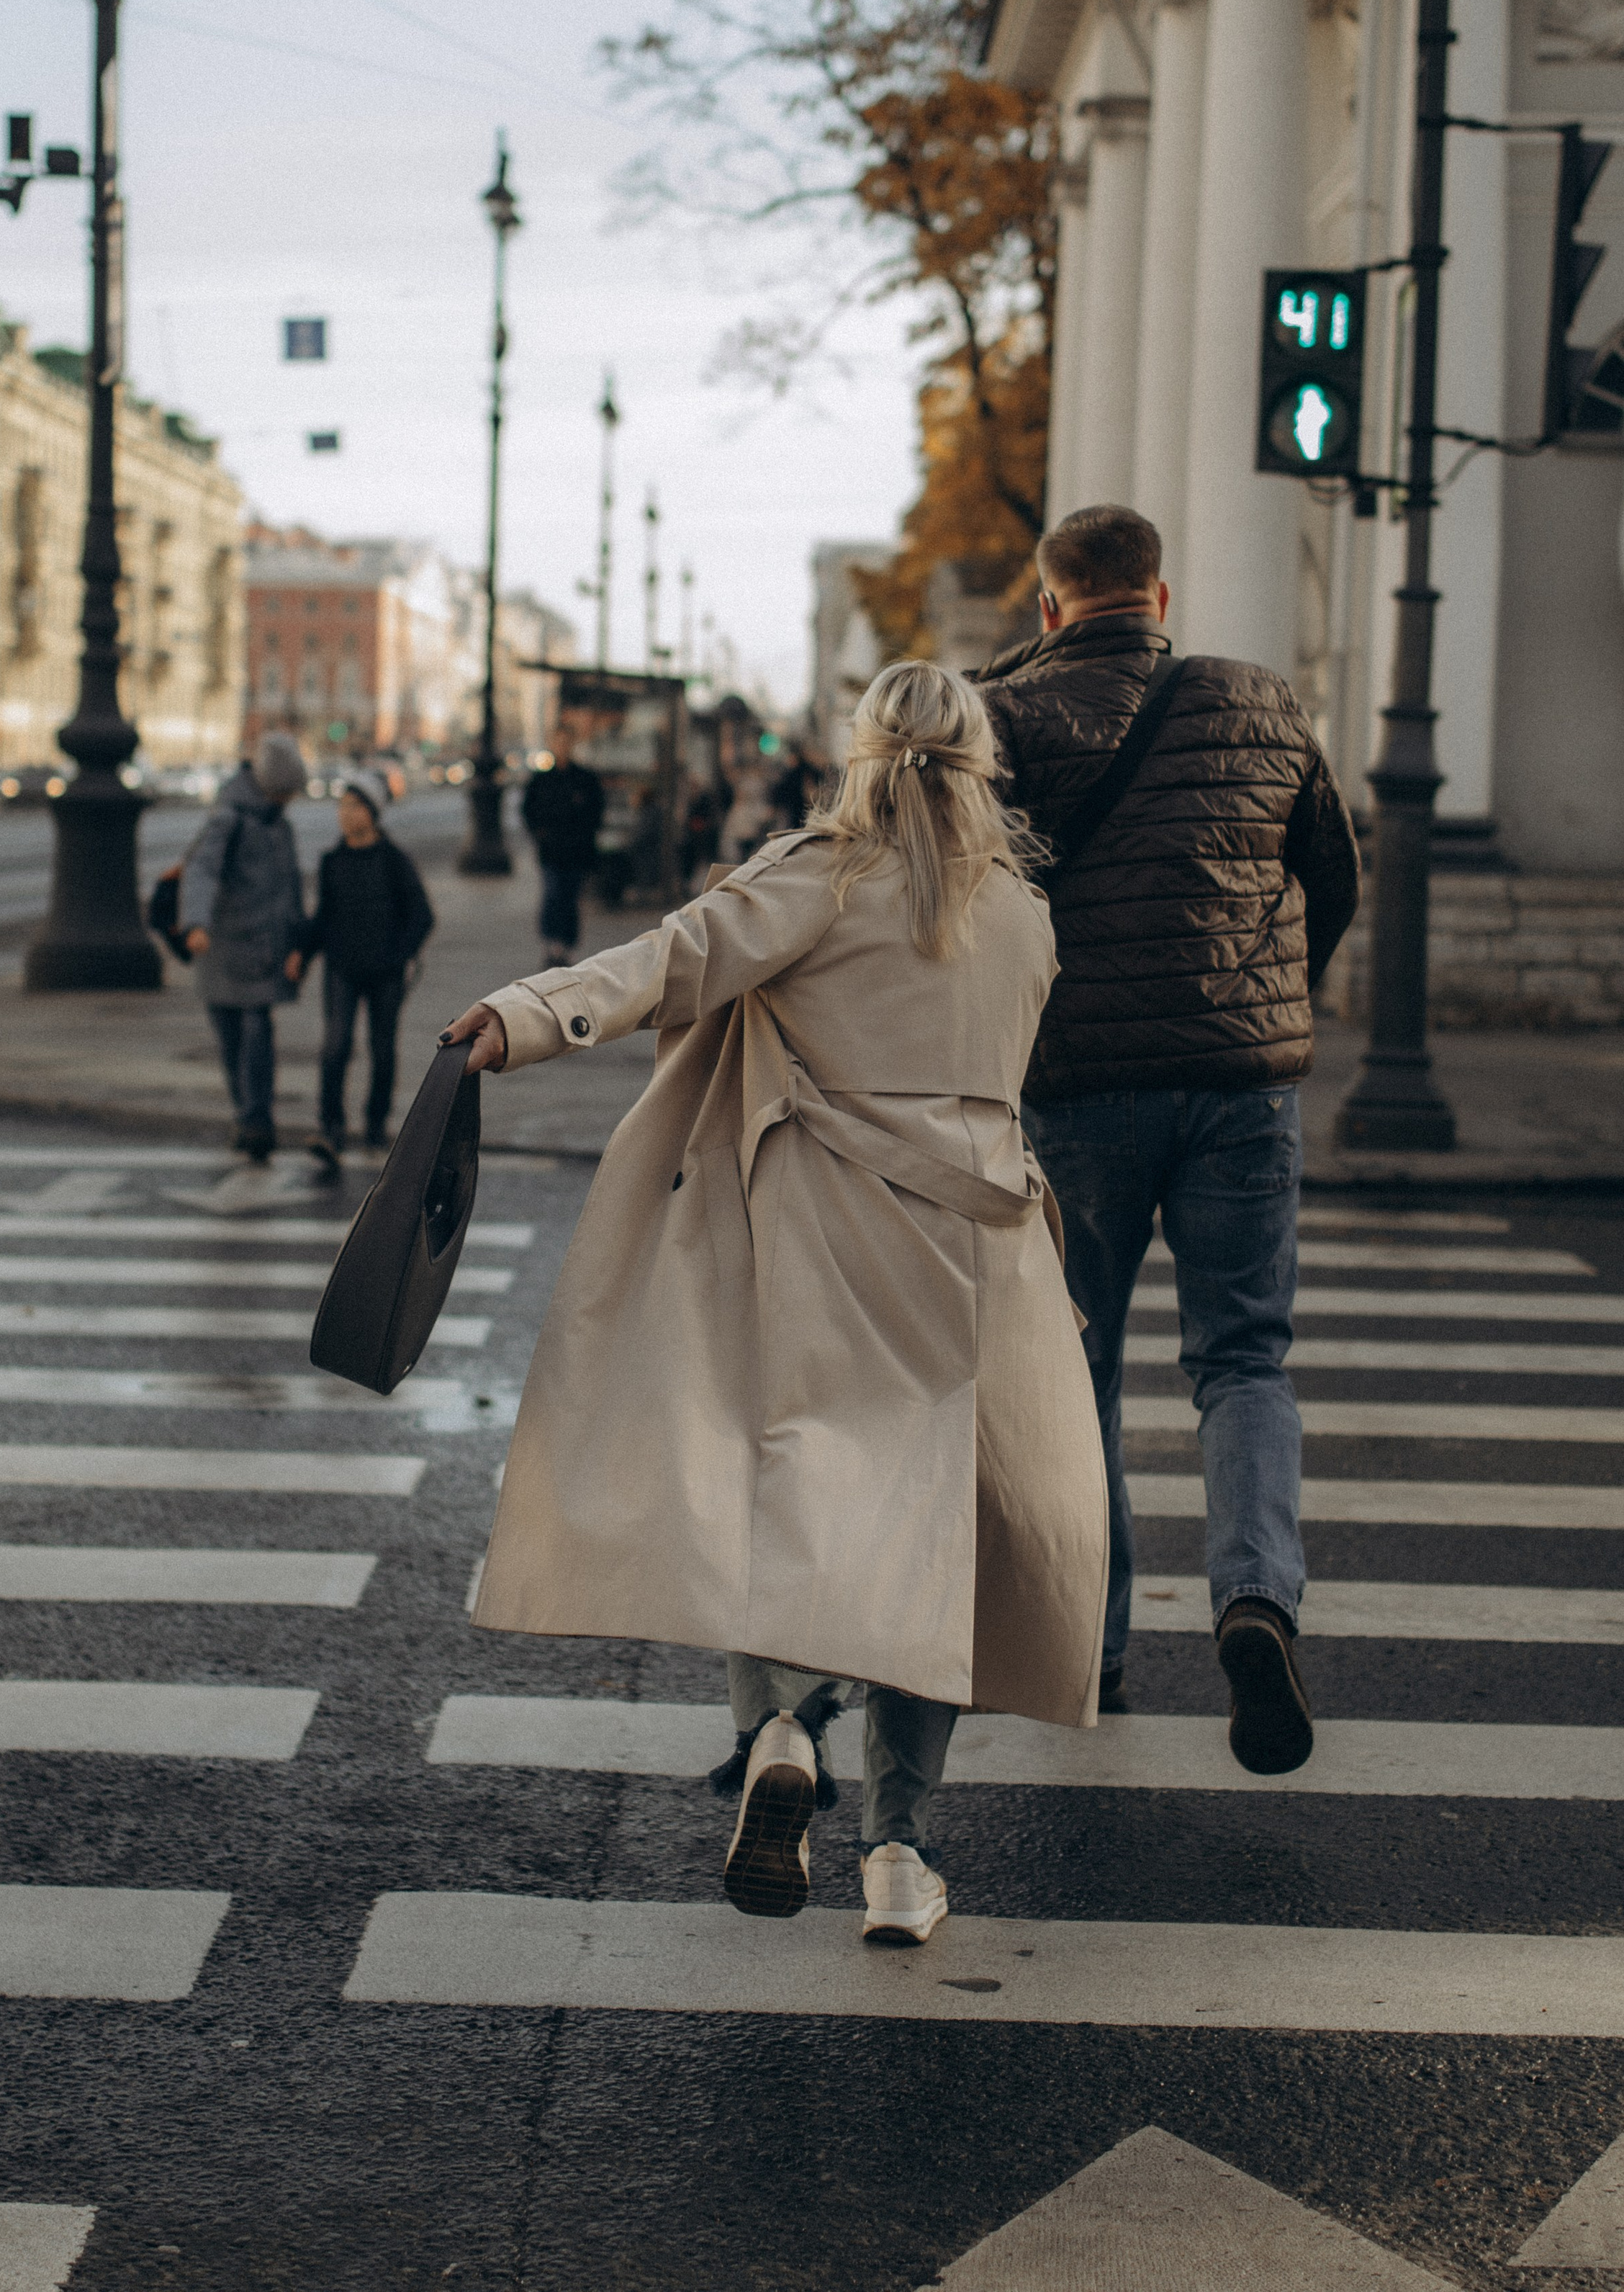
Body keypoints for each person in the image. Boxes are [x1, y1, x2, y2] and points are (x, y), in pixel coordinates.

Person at [443, 662, 1106, 1946]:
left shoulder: (821, 876)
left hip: (831, 1231)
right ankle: (902, 1860)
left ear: (858, 756)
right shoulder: (1023, 912)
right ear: (983, 767)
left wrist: (526, 1014)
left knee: (783, 1482)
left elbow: (672, 961)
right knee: (940, 1542)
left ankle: (783, 1732)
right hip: (986, 1250)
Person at [975, 503, 1361, 1777]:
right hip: (1241, 1087)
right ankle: (1257, 1601)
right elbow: (1333, 872)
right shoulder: (1261, 699)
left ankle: (1095, 1644)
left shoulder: (1008, 720)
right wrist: (1269, 994)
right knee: (1244, 1358)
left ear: (1050, 606)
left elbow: (968, 903)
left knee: (1072, 1369)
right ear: (1163, 594)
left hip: (1080, 1088)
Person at [293, 770, 435, 1169]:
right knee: (335, 1048)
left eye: (354, 806)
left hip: (385, 974)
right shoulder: (332, 862)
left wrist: (398, 956)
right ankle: (330, 1129)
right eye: (342, 806)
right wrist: (301, 955)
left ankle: (375, 1126)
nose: (344, 814)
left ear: (372, 813)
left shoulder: (394, 861)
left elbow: (421, 916)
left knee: (382, 1051)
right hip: (341, 970)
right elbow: (323, 918)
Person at [180, 731, 308, 1163]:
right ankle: (247, 1114)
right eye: (287, 791)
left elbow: (292, 891)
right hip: (225, 949)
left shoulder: (281, 826)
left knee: (257, 1035)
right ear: (270, 786)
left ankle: (256, 1120)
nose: (290, 799)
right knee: (233, 1039)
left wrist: (298, 945)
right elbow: (201, 870)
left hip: (267, 950)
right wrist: (195, 922)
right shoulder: (229, 818)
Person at [520, 722, 606, 967]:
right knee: (552, 896)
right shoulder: (542, 780)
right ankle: (552, 944)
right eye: (557, 742)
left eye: (566, 742)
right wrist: (540, 834)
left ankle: (565, 946)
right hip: (551, 852)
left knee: (570, 899)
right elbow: (529, 810)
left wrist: (584, 835)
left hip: (577, 852)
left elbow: (596, 812)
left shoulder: (585, 779)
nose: (562, 747)